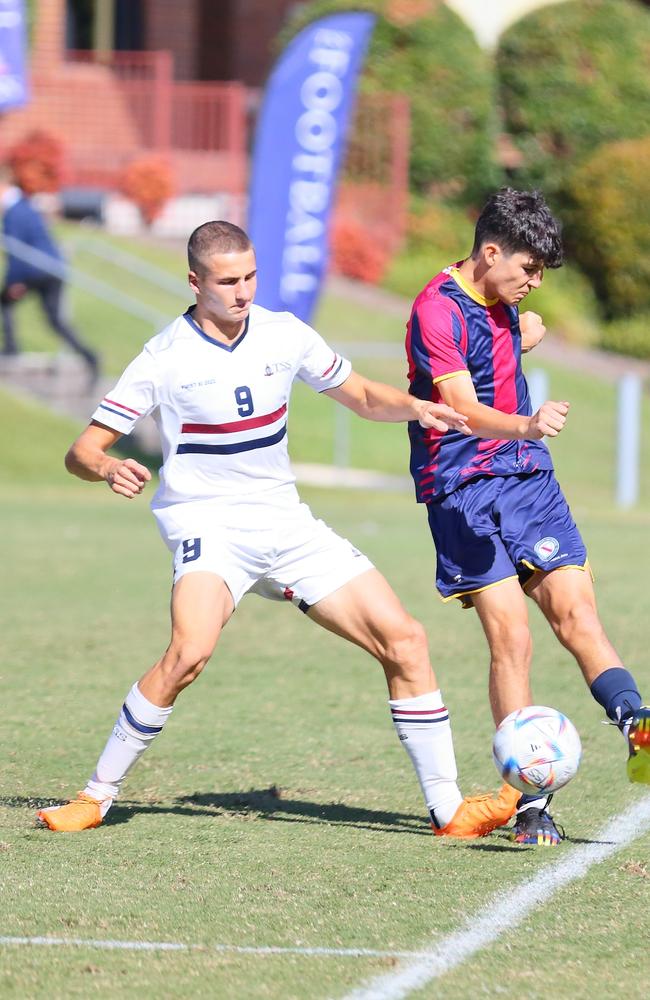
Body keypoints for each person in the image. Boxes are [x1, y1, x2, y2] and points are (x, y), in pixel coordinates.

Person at [37, 220, 520, 837]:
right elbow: (81, 450)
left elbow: (364, 396)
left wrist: (416, 406)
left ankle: (449, 811)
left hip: (286, 523)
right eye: (227, 281)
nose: (243, 292)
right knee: (189, 651)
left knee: (406, 641)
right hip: (209, 525)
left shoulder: (284, 333)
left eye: (250, 277)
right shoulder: (163, 357)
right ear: (194, 282)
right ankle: (95, 797)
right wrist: (106, 466)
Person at [405, 187, 650, 846]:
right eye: (527, 270)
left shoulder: (509, 306)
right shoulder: (435, 311)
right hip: (460, 489)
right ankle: (528, 805)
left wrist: (524, 333)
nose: (535, 284)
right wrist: (527, 423)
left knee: (577, 614)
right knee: (511, 637)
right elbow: (458, 405)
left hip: (527, 482)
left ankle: (638, 725)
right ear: (489, 251)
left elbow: (522, 333)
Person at [0, 162, 99, 379]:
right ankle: (89, 356)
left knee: (4, 300)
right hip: (52, 267)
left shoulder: (14, 212)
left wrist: (15, 282)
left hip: (35, 269)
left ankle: (10, 348)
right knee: (55, 320)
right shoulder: (24, 205)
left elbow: (16, 251)